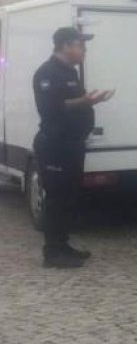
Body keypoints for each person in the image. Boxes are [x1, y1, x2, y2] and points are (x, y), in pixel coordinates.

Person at [31, 27, 114, 268]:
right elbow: (50, 108)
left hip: (71, 144)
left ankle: (63, 244)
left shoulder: (70, 72)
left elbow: (72, 105)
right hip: (55, 145)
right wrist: (86, 101)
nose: (84, 50)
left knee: (68, 197)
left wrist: (89, 102)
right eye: (80, 45)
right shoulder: (47, 72)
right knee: (56, 198)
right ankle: (52, 252)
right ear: (65, 46)